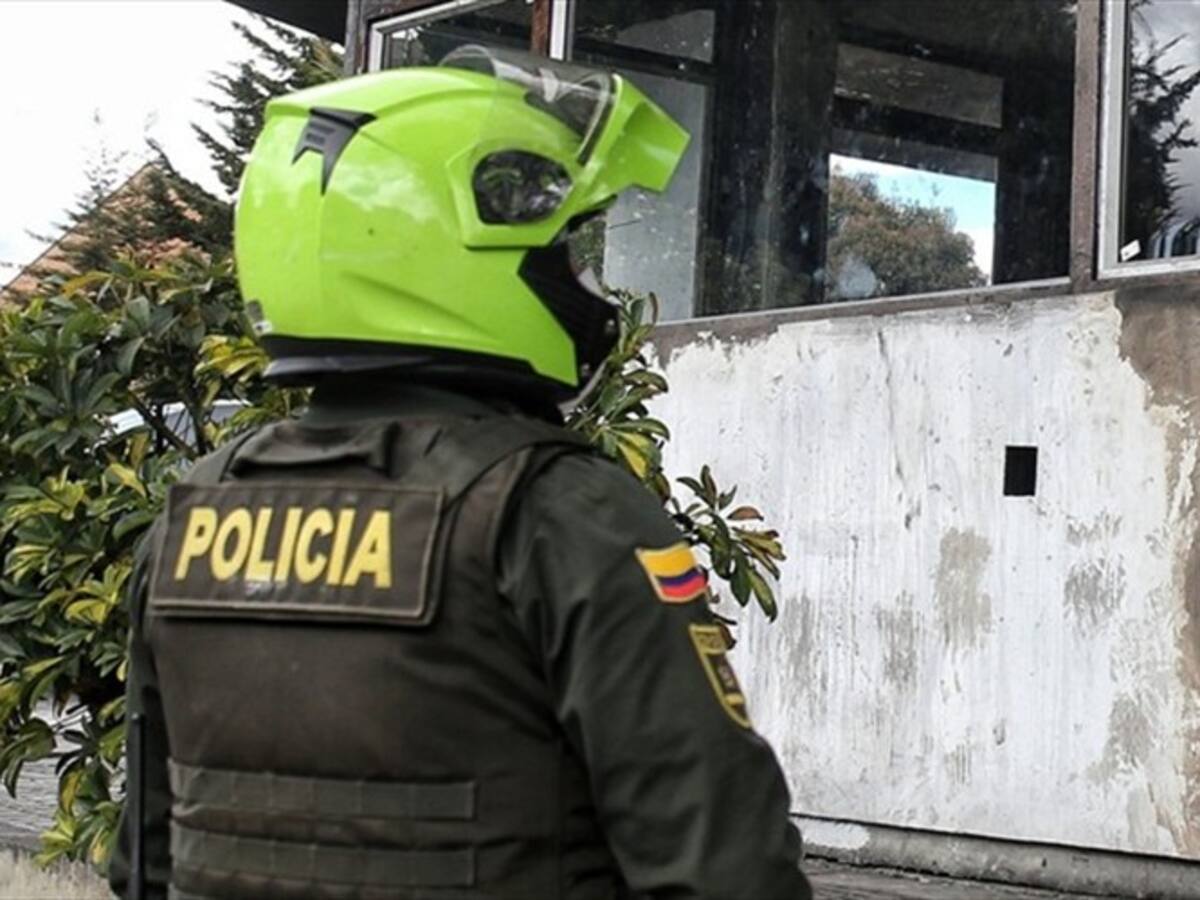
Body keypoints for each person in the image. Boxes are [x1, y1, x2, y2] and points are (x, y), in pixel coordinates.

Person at [108, 46, 813, 900]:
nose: (586, 281)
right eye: (563, 248)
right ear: (445, 253)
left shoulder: (191, 518)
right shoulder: (556, 512)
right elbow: (727, 869)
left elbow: (144, 863)